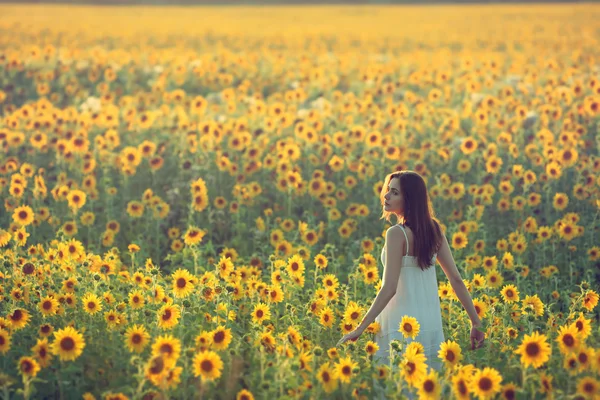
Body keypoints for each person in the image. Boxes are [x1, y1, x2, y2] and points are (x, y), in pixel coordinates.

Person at [336, 170, 485, 371]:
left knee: (396, 386)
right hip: (429, 322)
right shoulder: (434, 230)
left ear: (410, 199)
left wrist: (360, 328)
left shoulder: (396, 234)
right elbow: (456, 279)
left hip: (399, 324)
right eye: (388, 190)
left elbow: (389, 288)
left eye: (395, 192)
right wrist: (475, 323)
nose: (386, 196)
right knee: (426, 384)